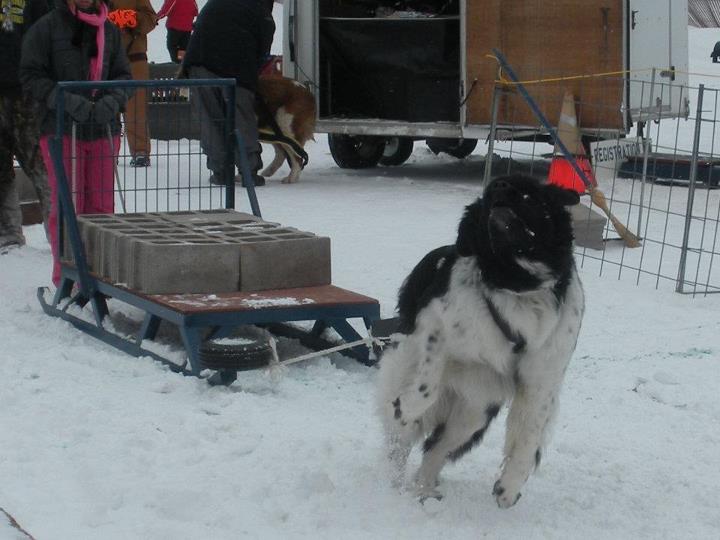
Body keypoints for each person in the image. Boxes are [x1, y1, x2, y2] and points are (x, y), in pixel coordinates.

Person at [20, 0, 132, 285]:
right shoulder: (45, 28)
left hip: (102, 128)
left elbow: (123, 75)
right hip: (61, 129)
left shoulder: (110, 30)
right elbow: (31, 75)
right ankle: (67, 276)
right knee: (69, 205)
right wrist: (66, 100)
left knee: (102, 208)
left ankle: (101, 275)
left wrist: (113, 99)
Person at [182, 0, 275, 187]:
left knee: (210, 120)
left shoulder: (215, 3)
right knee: (242, 118)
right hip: (237, 68)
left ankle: (220, 170)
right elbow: (263, 51)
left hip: (200, 64)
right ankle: (249, 170)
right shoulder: (261, 12)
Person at [0, 0, 51, 251]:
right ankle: (7, 233)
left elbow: (50, 36)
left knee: (43, 166)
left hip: (29, 94)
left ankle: (59, 233)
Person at [108, 0, 156, 167]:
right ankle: (105, 150)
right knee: (104, 107)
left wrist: (133, 19)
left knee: (136, 108)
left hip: (134, 59)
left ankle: (140, 151)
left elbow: (151, 19)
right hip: (103, 59)